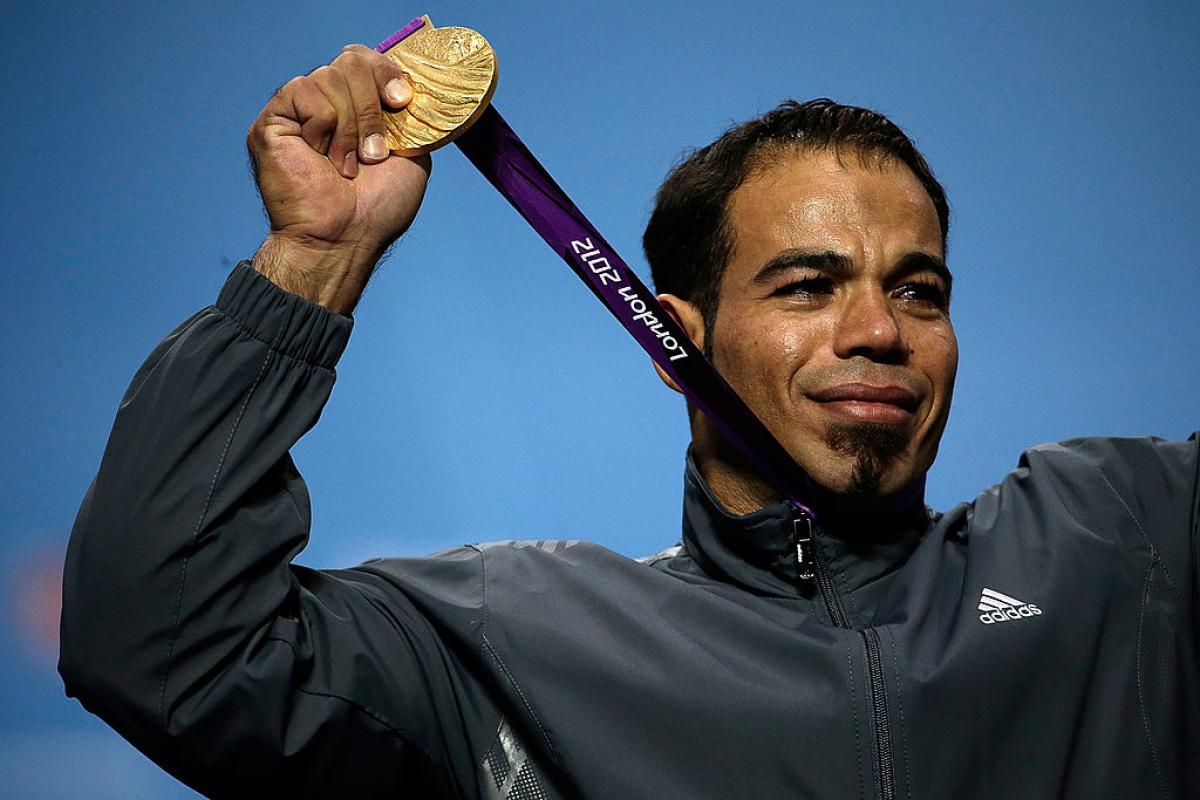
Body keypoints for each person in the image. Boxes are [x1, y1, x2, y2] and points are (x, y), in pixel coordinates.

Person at [59, 44, 1198, 800]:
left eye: (919, 290)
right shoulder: (508, 643)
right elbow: (160, 646)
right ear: (675, 339)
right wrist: (314, 261)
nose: (878, 329)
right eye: (806, 285)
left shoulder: (1119, 539)